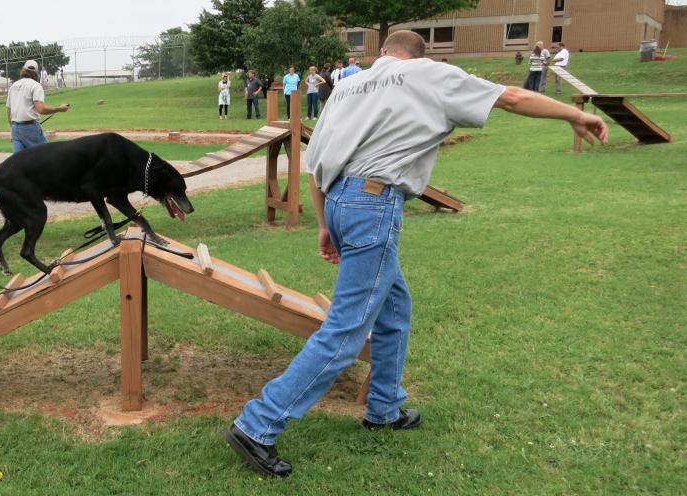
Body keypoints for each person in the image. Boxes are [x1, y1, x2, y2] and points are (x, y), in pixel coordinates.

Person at [223, 29, 608, 478]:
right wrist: (571, 116)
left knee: (394, 306)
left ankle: (384, 408)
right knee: (347, 327)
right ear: (417, 56)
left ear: (384, 54)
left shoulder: (346, 85)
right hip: (374, 203)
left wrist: (326, 223)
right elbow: (513, 97)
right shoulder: (427, 74)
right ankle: (259, 424)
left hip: (342, 201)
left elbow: (317, 161)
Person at [5, 59, 68, 152]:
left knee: (20, 162)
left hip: (15, 128)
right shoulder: (35, 85)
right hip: (30, 128)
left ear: (23, 70)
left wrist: (13, 130)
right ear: (36, 73)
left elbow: (9, 110)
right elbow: (41, 109)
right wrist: (59, 109)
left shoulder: (13, 86)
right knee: (47, 156)